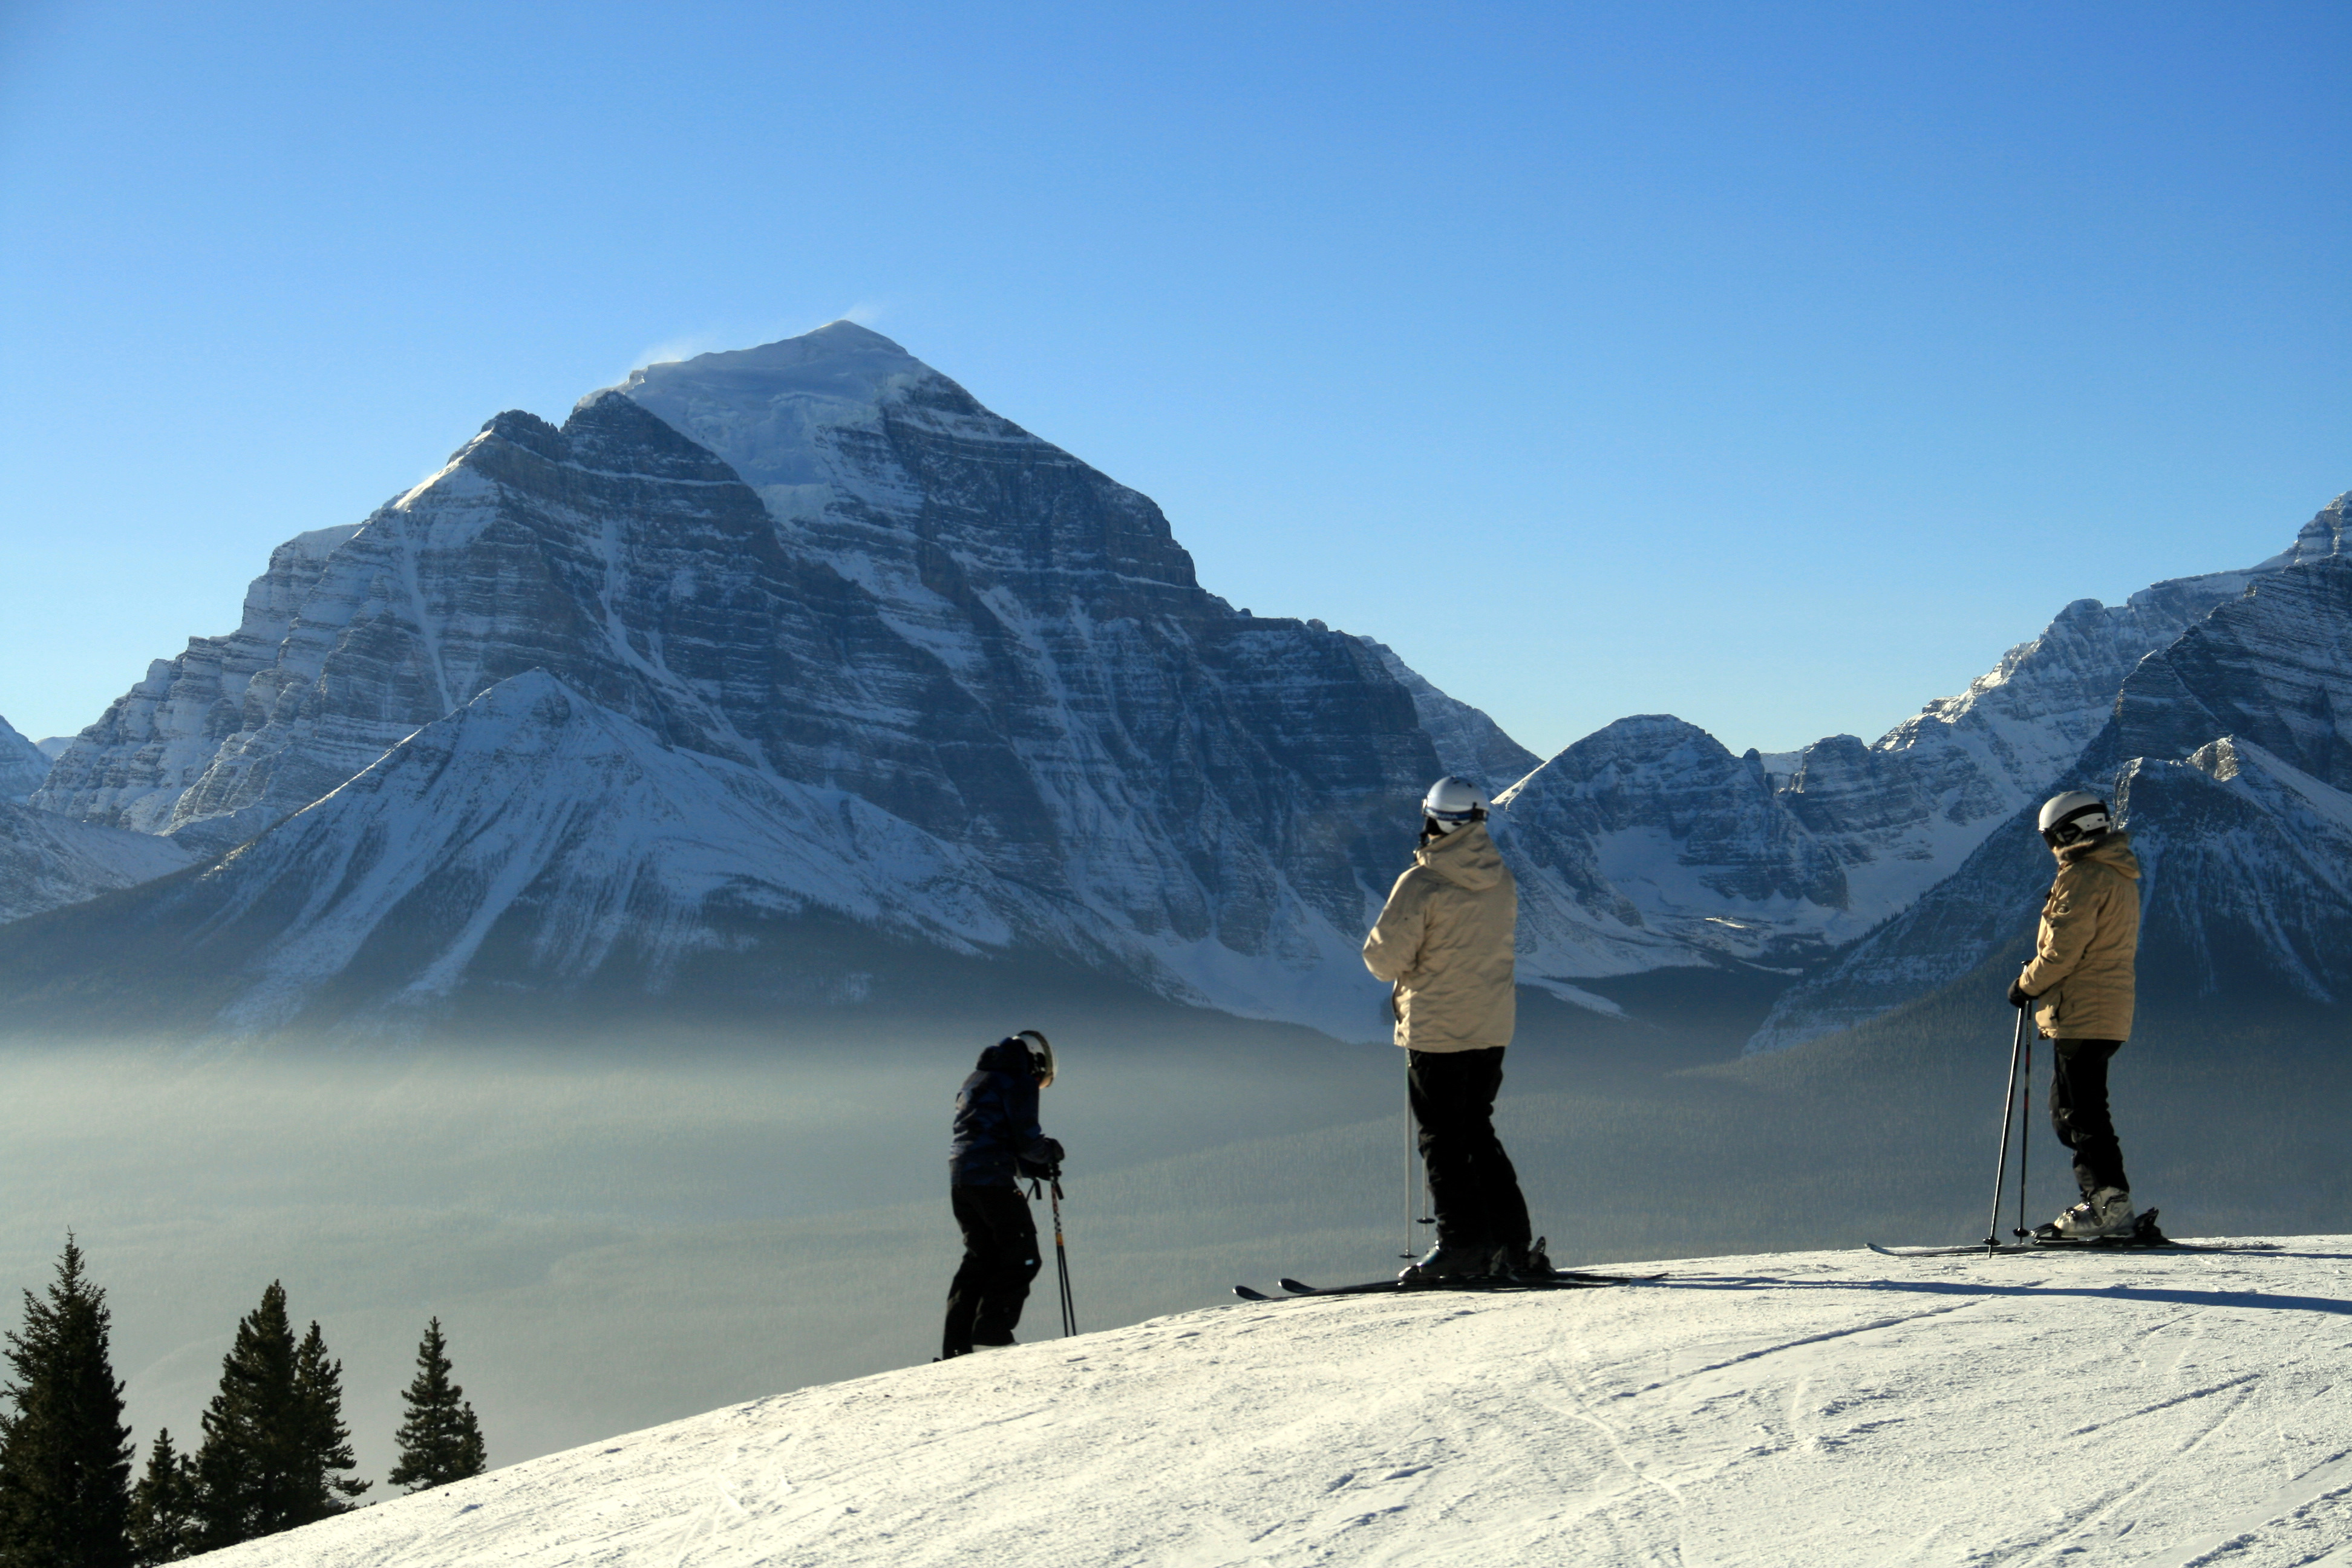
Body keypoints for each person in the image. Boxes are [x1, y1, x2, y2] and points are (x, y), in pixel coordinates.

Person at [1362, 776, 1543, 1282]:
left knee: (1442, 1139)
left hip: (1438, 1029)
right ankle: (1512, 1244)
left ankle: (1462, 1244)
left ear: (1434, 819)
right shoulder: (1500, 877)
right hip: (1491, 1026)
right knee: (1478, 1132)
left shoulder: (1421, 883)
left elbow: (1383, 960)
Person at [2008, 790, 2145, 1240]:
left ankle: (2108, 1207)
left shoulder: (2083, 877)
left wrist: (2026, 985)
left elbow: (2063, 950)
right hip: (2104, 1010)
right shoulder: (2117, 874)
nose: (2051, 847)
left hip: (2083, 1010)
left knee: (2079, 1113)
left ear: (2070, 832)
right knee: (2073, 1110)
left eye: (2052, 837)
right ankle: (2108, 1202)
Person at [941, 1030, 1064, 1359]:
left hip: (961, 1181)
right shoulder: (1017, 1080)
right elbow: (1026, 1139)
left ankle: (958, 1345)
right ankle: (991, 1335)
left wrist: (1026, 1166)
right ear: (1037, 1062)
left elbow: (990, 1132)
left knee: (981, 1258)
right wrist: (1048, 1153)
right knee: (1022, 1257)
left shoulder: (978, 1078)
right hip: (992, 1180)